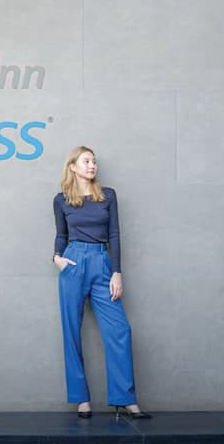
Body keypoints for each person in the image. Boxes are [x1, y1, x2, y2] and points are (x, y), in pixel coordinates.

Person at [52, 146, 150, 420]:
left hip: (101, 262)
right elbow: (61, 234)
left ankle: (125, 398)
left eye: (94, 161)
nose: (92, 165)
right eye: (86, 161)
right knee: (71, 331)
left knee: (120, 330)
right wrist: (57, 257)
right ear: (73, 167)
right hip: (73, 262)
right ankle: (81, 400)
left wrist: (116, 271)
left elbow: (114, 234)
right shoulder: (61, 200)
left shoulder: (108, 196)